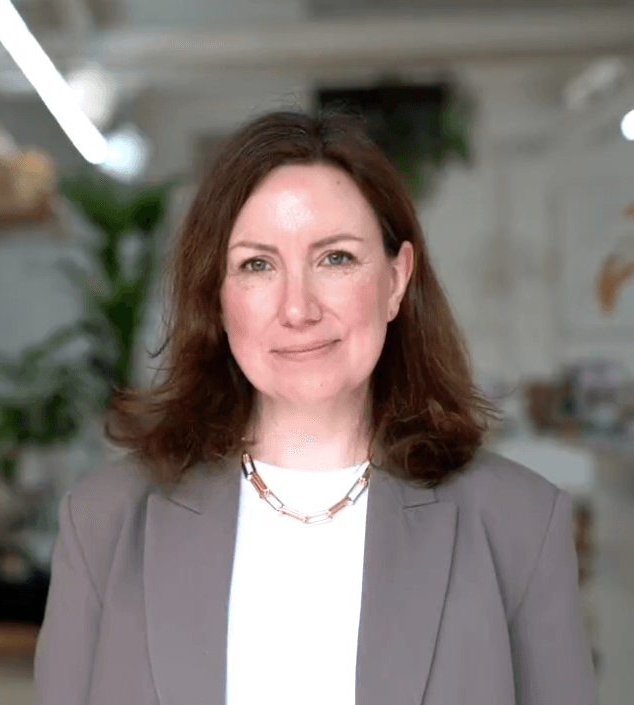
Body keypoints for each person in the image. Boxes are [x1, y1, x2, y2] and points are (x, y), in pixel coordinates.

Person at [33, 110, 594, 705]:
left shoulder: (519, 523)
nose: (298, 308)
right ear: (217, 298)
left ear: (396, 279)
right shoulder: (104, 523)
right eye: (257, 264)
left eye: (335, 258)